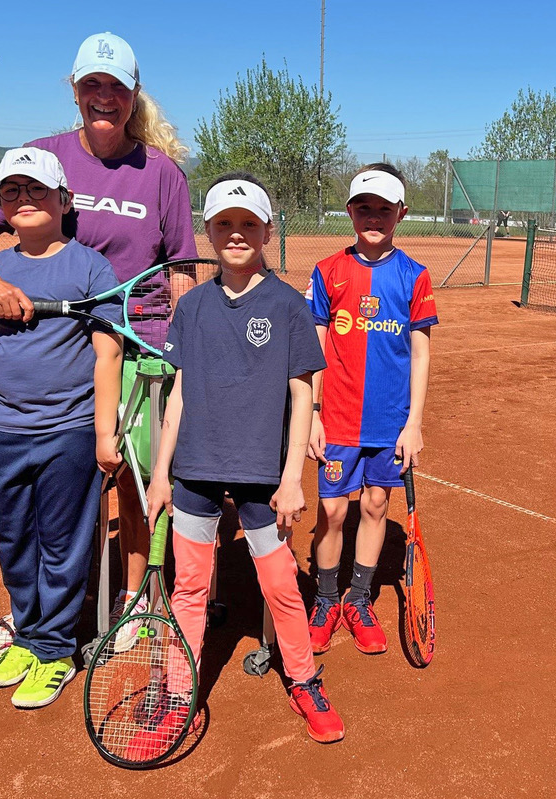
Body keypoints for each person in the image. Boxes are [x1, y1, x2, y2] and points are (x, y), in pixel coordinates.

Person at [0, 32, 198, 649]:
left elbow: (182, 272)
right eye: (92, 85)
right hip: (61, 347)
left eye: (115, 87)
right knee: (60, 487)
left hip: (139, 348)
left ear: (132, 95)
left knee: (138, 480)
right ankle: (36, 614)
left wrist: (188, 349)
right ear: (75, 91)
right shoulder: (43, 159)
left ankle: (134, 600)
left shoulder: (163, 173)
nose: (103, 97)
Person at [144, 174, 345, 745]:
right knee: (188, 586)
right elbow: (179, 392)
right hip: (194, 473)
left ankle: (304, 679)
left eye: (248, 224)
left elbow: (303, 393)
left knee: (281, 583)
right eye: (225, 224)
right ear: (208, 231)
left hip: (262, 475)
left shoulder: (287, 304)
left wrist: (291, 480)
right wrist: (161, 474)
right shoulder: (194, 306)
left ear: (266, 231)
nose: (237, 234)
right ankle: (179, 691)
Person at [0, 147, 124, 708]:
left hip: (68, 430)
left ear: (65, 200)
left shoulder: (92, 268)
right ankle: (29, 633)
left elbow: (107, 354)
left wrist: (103, 432)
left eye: (37, 190)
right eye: (11, 191)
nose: (24, 200)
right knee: (13, 538)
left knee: (64, 543)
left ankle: (55, 649)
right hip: (0, 431)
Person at [305, 164, 439, 656]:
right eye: (364, 207)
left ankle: (358, 600)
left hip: (388, 421)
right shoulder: (327, 272)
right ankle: (325, 599)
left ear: (401, 213)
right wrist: (314, 413)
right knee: (334, 510)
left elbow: (421, 353)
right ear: (350, 211)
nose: (374, 217)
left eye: (385, 209)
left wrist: (414, 424)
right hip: (337, 417)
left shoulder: (414, 277)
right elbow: (314, 346)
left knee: (377, 506)